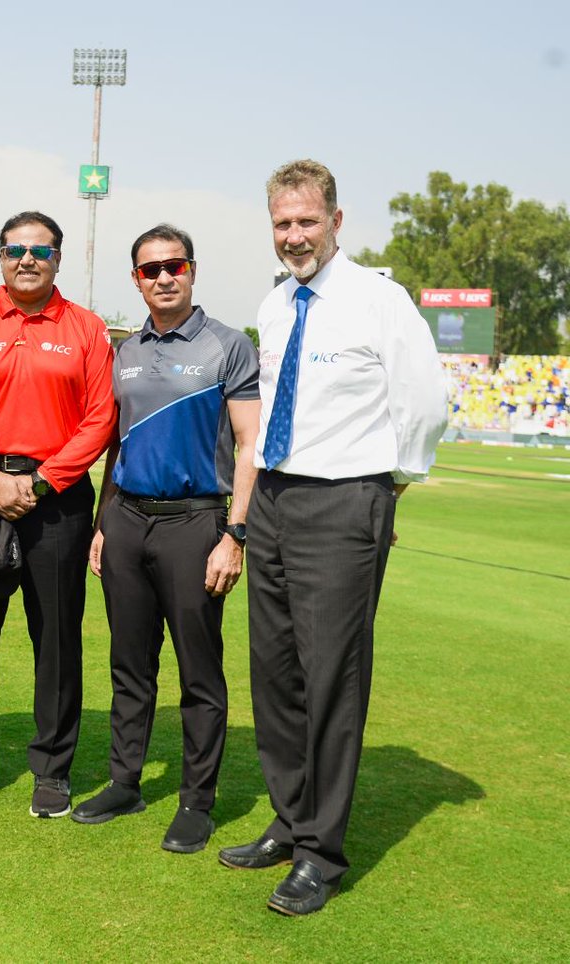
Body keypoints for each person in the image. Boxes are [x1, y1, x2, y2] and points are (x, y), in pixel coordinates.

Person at [218, 160, 447, 915]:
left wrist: (390, 484)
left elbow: (424, 403)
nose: (294, 236)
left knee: (331, 679)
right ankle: (289, 821)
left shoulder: (381, 301)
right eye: (283, 224)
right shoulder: (278, 304)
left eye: (307, 221)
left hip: (346, 500)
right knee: (277, 673)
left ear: (337, 222)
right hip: (279, 498)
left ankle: (322, 852)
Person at [70, 225, 260, 855]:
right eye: (149, 270)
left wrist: (234, 535)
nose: (162, 277)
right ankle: (124, 781)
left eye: (173, 266)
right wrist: (103, 525)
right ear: (136, 279)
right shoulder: (122, 351)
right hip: (127, 520)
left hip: (194, 523)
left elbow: (249, 446)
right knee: (129, 665)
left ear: (192, 270)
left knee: (199, 673)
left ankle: (196, 802)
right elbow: (115, 446)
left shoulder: (227, 346)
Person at [0, 211, 115, 818]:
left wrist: (42, 482)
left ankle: (51, 768)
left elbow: (100, 419)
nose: (27, 260)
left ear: (58, 259)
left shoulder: (87, 328)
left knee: (56, 638)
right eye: (15, 249)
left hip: (58, 500)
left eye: (39, 251)